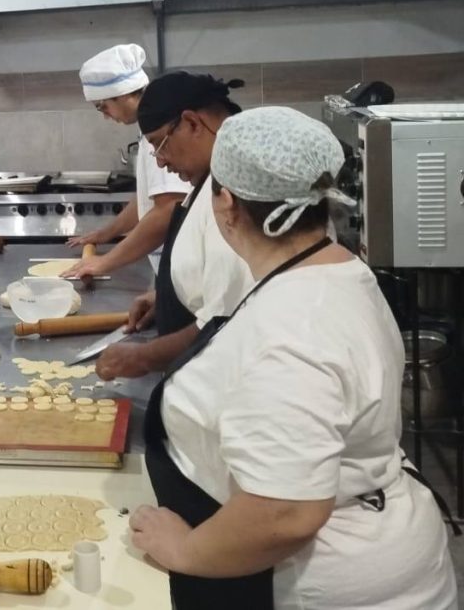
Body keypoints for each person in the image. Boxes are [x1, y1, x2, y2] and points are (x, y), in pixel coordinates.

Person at [128, 106, 457, 609]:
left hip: (326, 581)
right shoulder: (334, 269)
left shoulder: (291, 331)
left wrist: (184, 549)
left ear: (227, 204)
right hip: (383, 538)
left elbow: (284, 514)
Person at [96, 72, 254, 380]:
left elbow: (223, 322)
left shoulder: (235, 194)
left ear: (192, 123)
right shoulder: (208, 178)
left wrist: (142, 357)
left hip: (222, 379)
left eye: (160, 145)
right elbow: (215, 278)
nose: (160, 162)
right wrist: (168, 298)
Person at [66, 44, 190, 278]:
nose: (106, 116)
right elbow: (149, 199)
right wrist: (106, 233)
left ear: (123, 93)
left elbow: (168, 207)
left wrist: (105, 263)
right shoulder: (146, 131)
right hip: (169, 265)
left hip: (180, 267)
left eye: (103, 107)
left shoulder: (160, 132)